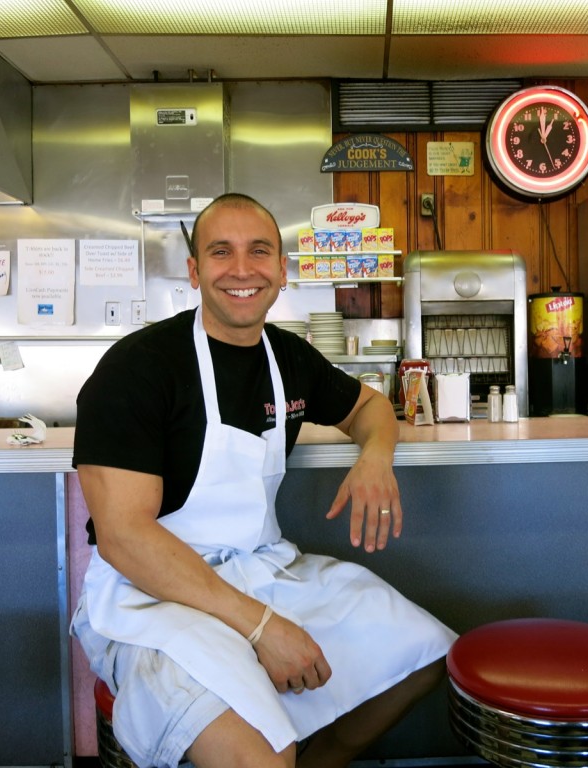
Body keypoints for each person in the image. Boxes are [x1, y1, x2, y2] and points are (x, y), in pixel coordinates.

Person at [71, 193, 456, 768]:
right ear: (196, 271)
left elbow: (370, 408)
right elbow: (125, 538)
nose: (242, 269)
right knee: (260, 757)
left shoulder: (288, 357)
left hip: (264, 568)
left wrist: (375, 457)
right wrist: (263, 628)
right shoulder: (137, 369)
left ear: (281, 271)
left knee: (424, 656)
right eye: (221, 252)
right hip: (153, 597)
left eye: (259, 252)